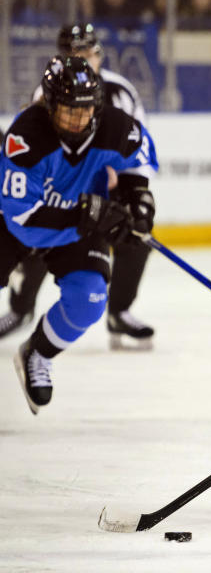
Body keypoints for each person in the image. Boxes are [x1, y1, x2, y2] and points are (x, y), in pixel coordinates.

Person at [2, 55, 158, 414]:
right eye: (69, 110)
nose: (79, 119)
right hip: (16, 227)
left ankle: (37, 353)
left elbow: (138, 158)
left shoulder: (114, 127)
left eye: (86, 110)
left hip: (77, 228)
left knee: (89, 300)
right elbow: (20, 215)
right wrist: (87, 215)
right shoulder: (26, 134)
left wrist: (138, 201)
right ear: (49, 104)